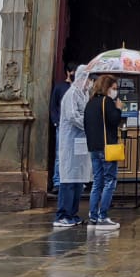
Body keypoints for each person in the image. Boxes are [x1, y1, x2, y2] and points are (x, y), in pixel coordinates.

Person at [52, 64, 92, 228]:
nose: (89, 82)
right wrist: (89, 123)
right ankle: (62, 214)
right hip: (70, 142)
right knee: (68, 179)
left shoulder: (84, 94)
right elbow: (73, 116)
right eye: (88, 78)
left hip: (81, 142)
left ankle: (72, 213)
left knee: (78, 180)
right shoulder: (71, 94)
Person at [83, 73, 123, 231]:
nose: (115, 91)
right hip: (107, 147)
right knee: (110, 181)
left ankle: (93, 216)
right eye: (114, 88)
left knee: (97, 182)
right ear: (107, 88)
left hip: (93, 147)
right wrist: (118, 109)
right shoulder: (107, 102)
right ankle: (103, 216)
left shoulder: (90, 103)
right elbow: (113, 121)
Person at [49, 64, 75, 193]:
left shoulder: (77, 89)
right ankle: (57, 181)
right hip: (62, 126)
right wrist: (56, 122)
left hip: (75, 127)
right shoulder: (60, 87)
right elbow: (53, 106)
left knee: (75, 154)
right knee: (60, 155)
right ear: (68, 72)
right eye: (73, 71)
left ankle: (73, 180)